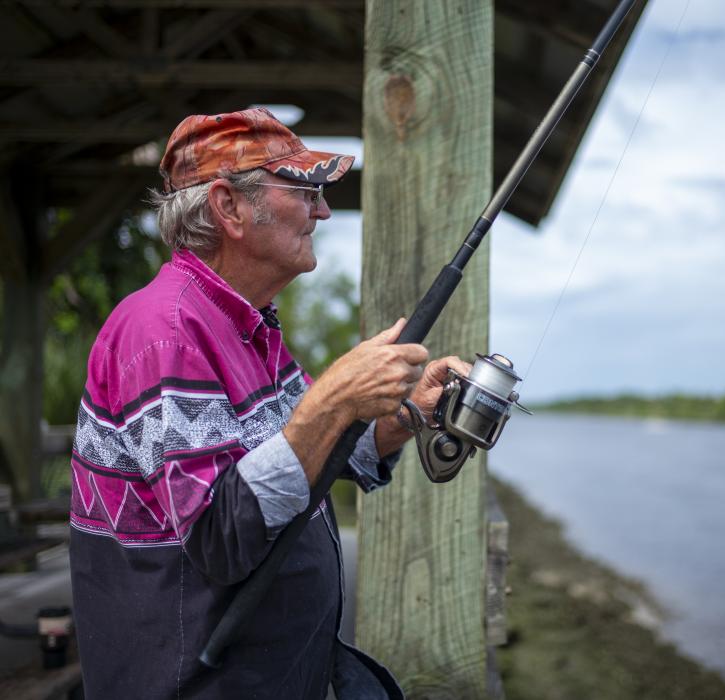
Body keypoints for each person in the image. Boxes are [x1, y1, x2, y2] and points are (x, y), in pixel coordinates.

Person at [68, 107, 469, 699]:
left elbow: (309, 455)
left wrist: (407, 413)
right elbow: (219, 534)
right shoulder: (167, 332)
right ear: (229, 207)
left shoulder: (246, 326)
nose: (323, 209)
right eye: (304, 188)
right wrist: (333, 395)